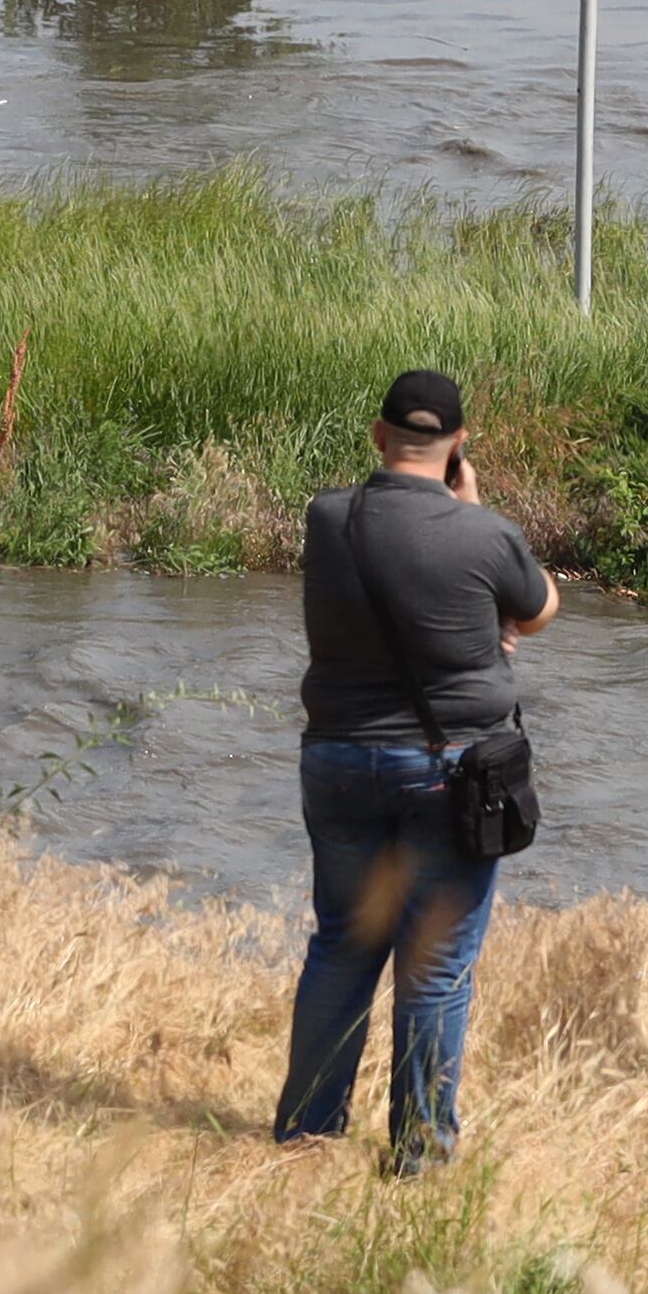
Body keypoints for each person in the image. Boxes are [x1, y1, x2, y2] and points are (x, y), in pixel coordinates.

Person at [273, 366, 557, 1172]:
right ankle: (420, 1155)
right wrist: (469, 512)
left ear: (377, 436)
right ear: (459, 445)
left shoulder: (326, 518)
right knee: (433, 967)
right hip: (450, 769)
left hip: (337, 759)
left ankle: (305, 1137)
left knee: (341, 947)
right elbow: (536, 612)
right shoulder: (485, 532)